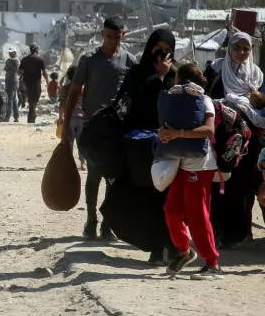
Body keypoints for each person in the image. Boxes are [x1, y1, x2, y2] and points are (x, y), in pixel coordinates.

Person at [101, 28, 179, 265]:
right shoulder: (137, 72)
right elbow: (126, 104)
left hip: (171, 144)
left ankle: (173, 247)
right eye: (158, 48)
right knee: (146, 197)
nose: (162, 53)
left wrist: (168, 78)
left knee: (168, 199)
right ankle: (156, 247)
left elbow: (185, 102)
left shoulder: (178, 74)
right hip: (140, 148)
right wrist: (157, 79)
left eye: (167, 49)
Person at [61, 16, 136, 241]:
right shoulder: (89, 59)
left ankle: (107, 224)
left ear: (123, 35)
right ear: (102, 33)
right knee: (94, 176)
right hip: (91, 129)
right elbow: (74, 92)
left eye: (117, 37)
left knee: (114, 179)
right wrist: (65, 125)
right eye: (109, 36)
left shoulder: (129, 60)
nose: (113, 41)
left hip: (117, 130)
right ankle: (91, 221)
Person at [159, 62, 223, 279]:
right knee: (172, 210)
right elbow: (170, 129)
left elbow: (208, 129)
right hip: (182, 164)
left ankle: (212, 263)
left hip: (201, 166)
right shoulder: (177, 102)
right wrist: (166, 134)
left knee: (197, 214)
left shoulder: (204, 101)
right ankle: (185, 252)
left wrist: (179, 134)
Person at [206, 31, 265, 248]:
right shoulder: (216, 70)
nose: (241, 52)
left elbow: (261, 108)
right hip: (221, 136)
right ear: (229, 48)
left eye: (246, 48)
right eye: (237, 47)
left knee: (239, 186)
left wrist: (257, 101)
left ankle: (234, 234)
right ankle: (216, 232)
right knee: (218, 183)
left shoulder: (256, 76)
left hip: (247, 139)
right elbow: (205, 99)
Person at [57, 65, 86, 170]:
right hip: (82, 118)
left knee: (69, 142)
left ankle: (69, 163)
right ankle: (83, 163)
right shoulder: (83, 89)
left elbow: (62, 105)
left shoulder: (65, 89)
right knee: (81, 142)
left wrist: (60, 119)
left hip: (69, 119)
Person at [19, 44, 48, 124]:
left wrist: (23, 76)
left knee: (31, 100)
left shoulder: (25, 59)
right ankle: (32, 116)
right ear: (36, 50)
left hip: (27, 83)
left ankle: (31, 115)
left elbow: (19, 71)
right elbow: (45, 72)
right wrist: (47, 82)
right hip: (36, 84)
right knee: (34, 100)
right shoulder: (40, 60)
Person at [3, 47, 20, 123]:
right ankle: (16, 117)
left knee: (9, 99)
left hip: (12, 80)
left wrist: (8, 67)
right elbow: (5, 68)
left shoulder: (15, 60)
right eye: (9, 52)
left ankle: (7, 117)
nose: (10, 53)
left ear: (15, 52)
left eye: (11, 52)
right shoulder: (10, 60)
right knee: (13, 100)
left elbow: (9, 68)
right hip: (9, 80)